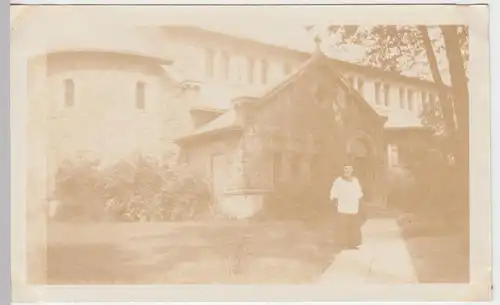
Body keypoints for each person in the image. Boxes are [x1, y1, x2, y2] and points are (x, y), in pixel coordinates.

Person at [330, 163, 364, 249]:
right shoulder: (338, 181)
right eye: (345, 169)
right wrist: (335, 202)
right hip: (343, 207)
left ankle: (353, 244)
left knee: (353, 226)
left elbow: (359, 193)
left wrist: (360, 204)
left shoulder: (355, 181)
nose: (347, 171)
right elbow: (334, 193)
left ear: (352, 171)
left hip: (353, 207)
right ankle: (342, 244)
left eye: (349, 169)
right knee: (343, 227)